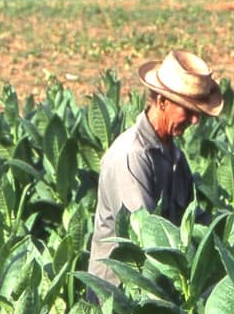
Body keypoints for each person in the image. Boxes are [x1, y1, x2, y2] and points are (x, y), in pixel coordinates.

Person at [87, 50, 224, 287]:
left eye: (198, 113)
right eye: (188, 111)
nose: (195, 121)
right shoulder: (132, 156)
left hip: (158, 286)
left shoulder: (173, 153)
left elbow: (191, 219)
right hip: (119, 297)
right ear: (162, 102)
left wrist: (229, 234)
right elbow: (145, 236)